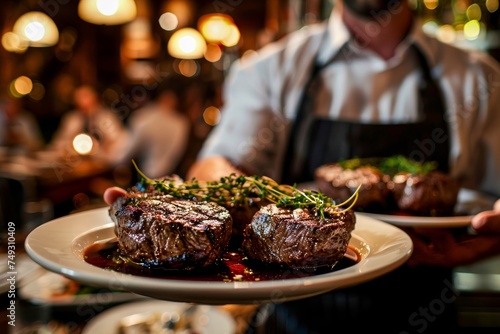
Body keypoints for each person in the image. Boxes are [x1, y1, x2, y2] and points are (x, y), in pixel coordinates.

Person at [104, 0, 500, 332]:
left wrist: (489, 238)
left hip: (425, 310)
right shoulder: (272, 69)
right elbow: (216, 164)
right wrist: (184, 207)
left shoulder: (478, 77)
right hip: (294, 318)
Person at [110, 79, 191, 179]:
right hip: (172, 178)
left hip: (146, 178)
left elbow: (124, 155)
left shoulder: (144, 118)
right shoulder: (182, 123)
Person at [48, 85, 128, 157]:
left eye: (86, 97)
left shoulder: (107, 117)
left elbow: (118, 141)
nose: (83, 103)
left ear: (95, 99)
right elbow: (59, 142)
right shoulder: (72, 118)